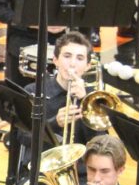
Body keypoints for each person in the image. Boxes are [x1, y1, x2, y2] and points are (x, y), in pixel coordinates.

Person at [17, 31, 96, 173]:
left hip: (79, 173)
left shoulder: (93, 99)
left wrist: (85, 103)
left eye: (79, 58)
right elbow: (23, 136)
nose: (72, 63)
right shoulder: (34, 91)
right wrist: (54, 124)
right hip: (40, 171)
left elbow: (101, 144)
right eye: (67, 56)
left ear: (88, 65)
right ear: (55, 60)